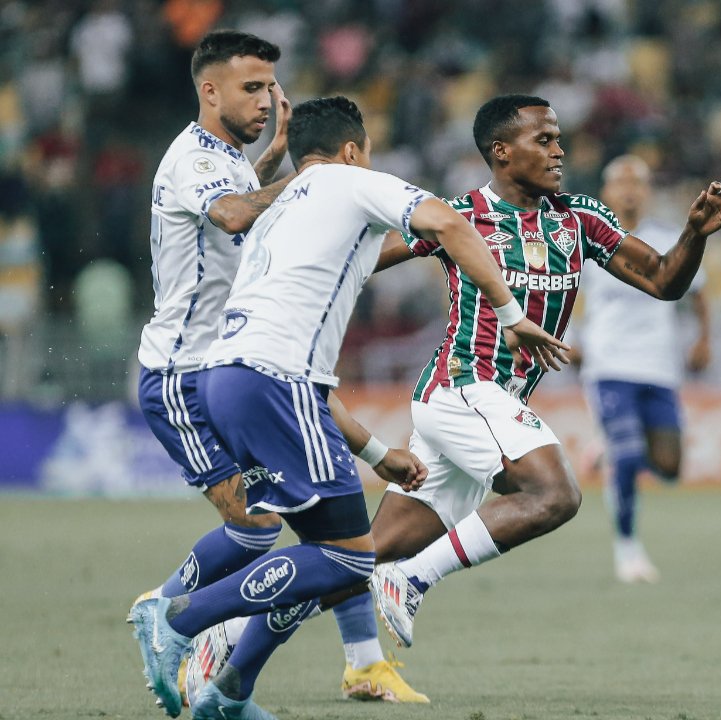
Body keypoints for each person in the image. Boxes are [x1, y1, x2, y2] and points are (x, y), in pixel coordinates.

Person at [128, 95, 569, 720]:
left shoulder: (280, 212)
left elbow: (303, 360)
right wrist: (513, 314)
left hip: (230, 381)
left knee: (333, 558)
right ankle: (183, 617)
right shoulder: (347, 179)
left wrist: (375, 453)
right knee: (348, 558)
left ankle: (230, 693)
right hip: (271, 382)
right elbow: (450, 224)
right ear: (354, 150)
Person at [367, 94, 721, 648]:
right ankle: (412, 581)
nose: (558, 151)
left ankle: (228, 634)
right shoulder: (457, 217)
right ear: (501, 151)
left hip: (492, 404)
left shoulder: (579, 220)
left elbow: (665, 281)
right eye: (543, 141)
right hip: (463, 384)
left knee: (369, 549)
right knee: (555, 494)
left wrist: (693, 235)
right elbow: (367, 260)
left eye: (559, 139)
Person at [129, 29, 426, 706]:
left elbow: (262, 214)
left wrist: (418, 245)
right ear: (210, 91)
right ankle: (171, 611)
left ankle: (252, 682)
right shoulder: (193, 157)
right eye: (251, 87)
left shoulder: (233, 161)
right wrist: (316, 177)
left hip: (240, 370)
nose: (268, 100)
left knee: (325, 531)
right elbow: (233, 215)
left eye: (270, 86)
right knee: (266, 530)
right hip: (185, 375)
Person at [573, 154, 711, 583]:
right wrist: (570, 339)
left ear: (648, 192)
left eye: (638, 183)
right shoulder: (588, 240)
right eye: (622, 183)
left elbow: (699, 293)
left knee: (669, 467)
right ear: (607, 191)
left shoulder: (671, 238)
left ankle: (606, 446)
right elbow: (565, 293)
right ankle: (628, 549)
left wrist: (705, 338)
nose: (630, 190)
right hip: (608, 363)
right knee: (629, 456)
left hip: (658, 366)